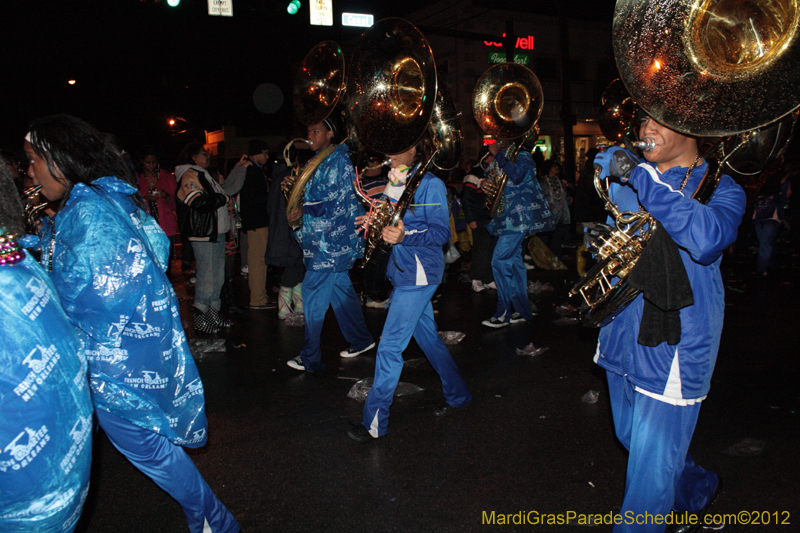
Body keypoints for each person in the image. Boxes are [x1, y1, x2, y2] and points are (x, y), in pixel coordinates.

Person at [23, 115, 240, 533]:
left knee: (147, 446)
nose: (29, 171)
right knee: (145, 443)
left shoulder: (89, 211)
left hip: (115, 362)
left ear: (60, 160)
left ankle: (215, 520)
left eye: (33, 159)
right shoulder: (100, 197)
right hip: (128, 351)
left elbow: (102, 293)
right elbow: (153, 249)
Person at [591, 114, 746, 533]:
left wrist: (641, 179)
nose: (646, 130)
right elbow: (620, 249)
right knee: (632, 439)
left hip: (675, 343)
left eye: (660, 120)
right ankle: (697, 489)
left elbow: (707, 240)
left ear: (693, 128)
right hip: (621, 334)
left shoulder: (722, 188)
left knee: (648, 473)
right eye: (643, 120)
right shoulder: (629, 183)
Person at [346, 141, 473, 443]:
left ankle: (374, 422)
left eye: (398, 145)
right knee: (428, 339)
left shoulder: (431, 184)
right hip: (403, 272)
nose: (389, 154)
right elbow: (389, 220)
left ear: (415, 149)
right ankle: (459, 395)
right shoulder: (396, 179)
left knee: (390, 347)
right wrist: (373, 221)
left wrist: (405, 236)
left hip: (418, 275)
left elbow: (441, 232)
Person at [1, 161, 93, 533]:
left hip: (27, 501)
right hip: (58, 480)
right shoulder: (19, 261)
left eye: (34, 159)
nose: (29, 172)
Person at [285, 117, 375, 372]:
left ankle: (310, 357)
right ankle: (361, 340)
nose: (310, 136)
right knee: (341, 291)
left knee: (312, 293)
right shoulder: (318, 160)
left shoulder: (338, 160)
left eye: (316, 131)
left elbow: (335, 202)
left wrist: (302, 207)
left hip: (330, 243)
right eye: (309, 131)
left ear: (330, 134)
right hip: (321, 240)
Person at [481, 141, 552, 328]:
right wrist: (486, 182)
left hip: (517, 218)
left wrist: (498, 154)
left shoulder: (523, 155)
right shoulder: (507, 157)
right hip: (506, 219)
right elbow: (500, 181)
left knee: (499, 261)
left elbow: (518, 175)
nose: (497, 139)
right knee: (514, 265)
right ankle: (522, 311)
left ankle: (503, 313)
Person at [175, 143, 235, 334]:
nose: (208, 156)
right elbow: (197, 201)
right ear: (193, 157)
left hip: (215, 233)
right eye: (203, 154)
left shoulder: (203, 174)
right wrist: (223, 198)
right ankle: (201, 320)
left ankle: (213, 316)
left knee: (217, 278)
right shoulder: (190, 175)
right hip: (203, 234)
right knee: (207, 279)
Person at [226, 140, 274, 310]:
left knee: (259, 260)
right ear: (257, 153)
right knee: (258, 261)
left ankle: (261, 296)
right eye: (265, 153)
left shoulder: (256, 169)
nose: (267, 157)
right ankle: (258, 299)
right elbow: (253, 198)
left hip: (256, 221)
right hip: (257, 222)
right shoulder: (251, 170)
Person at [266, 141, 306, 319]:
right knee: (294, 265)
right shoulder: (289, 176)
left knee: (296, 266)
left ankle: (297, 305)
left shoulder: (277, 176)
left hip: (281, 228)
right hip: (290, 229)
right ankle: (285, 307)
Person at [137, 147, 178, 277]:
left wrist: (166, 196)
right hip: (145, 226)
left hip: (166, 225)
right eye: (147, 162)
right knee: (148, 262)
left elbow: (175, 204)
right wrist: (144, 199)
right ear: (142, 162)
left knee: (166, 262)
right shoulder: (136, 178)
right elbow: (131, 202)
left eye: (153, 162)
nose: (150, 166)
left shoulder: (167, 177)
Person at [461, 148, 497, 292]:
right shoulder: (473, 175)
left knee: (491, 250)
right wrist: (471, 219)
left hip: (491, 218)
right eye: (492, 156)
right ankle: (476, 278)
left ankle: (488, 278)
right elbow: (466, 199)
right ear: (486, 157)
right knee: (480, 250)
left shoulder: (494, 174)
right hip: (479, 218)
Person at [538, 159, 572, 260]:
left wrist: (568, 198)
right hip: (548, 212)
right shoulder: (543, 181)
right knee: (545, 236)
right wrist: (547, 204)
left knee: (557, 235)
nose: (556, 169)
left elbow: (563, 194)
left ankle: (556, 256)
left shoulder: (559, 181)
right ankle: (543, 258)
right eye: (554, 167)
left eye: (557, 167)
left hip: (559, 211)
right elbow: (539, 196)